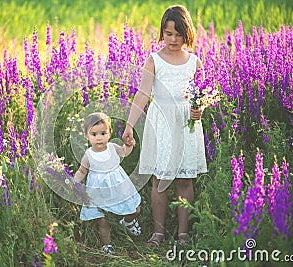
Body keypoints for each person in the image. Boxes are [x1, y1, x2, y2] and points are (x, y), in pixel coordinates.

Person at [122, 5, 207, 247]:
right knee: (159, 180)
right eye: (168, 33)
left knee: (184, 180)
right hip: (161, 124)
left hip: (185, 125)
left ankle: (183, 234)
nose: (173, 39)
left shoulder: (194, 62)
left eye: (178, 34)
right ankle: (158, 233)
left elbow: (202, 95)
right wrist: (129, 125)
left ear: (187, 33)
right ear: (162, 32)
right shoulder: (155, 61)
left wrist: (200, 109)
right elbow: (142, 94)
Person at [74, 112, 142, 254]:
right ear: (87, 135)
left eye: (103, 133)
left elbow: (124, 152)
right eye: (94, 134)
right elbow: (82, 171)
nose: (99, 138)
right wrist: (74, 182)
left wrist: (129, 145)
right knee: (102, 219)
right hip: (100, 191)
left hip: (119, 186)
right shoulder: (88, 154)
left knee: (135, 209)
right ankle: (107, 245)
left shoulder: (112, 147)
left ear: (110, 133)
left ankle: (127, 221)